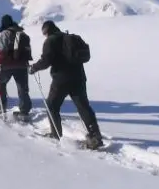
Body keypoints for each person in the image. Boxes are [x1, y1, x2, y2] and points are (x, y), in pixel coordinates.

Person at [28, 20, 104, 149]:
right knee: (83, 107)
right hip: (79, 78)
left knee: (52, 105)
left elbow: (46, 61)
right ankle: (95, 136)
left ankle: (55, 134)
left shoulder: (50, 41)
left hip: (61, 79)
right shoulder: (71, 38)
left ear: (47, 31)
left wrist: (34, 68)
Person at [0, 14, 32, 120]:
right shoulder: (23, 34)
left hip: (7, 65)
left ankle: (1, 107)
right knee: (23, 88)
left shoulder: (5, 33)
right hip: (22, 65)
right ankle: (24, 112)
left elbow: (1, 52)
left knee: (1, 84)